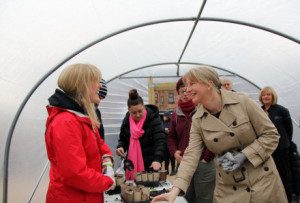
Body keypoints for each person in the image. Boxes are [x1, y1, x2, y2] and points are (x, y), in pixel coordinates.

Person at [152, 66, 287, 203]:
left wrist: (244, 155)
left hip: (262, 182)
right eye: (186, 85)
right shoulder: (198, 119)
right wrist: (174, 191)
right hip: (228, 188)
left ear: (209, 83)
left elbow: (271, 135)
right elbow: (191, 156)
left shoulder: (243, 102)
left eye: (192, 84)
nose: (187, 89)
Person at [45, 63, 115, 203]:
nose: (99, 86)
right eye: (96, 82)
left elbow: (98, 142)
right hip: (72, 197)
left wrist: (106, 158)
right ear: (83, 85)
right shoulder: (66, 122)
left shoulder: (81, 117)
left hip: (85, 195)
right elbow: (74, 174)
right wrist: (106, 181)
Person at [168, 77, 215, 203]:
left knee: (204, 198)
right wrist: (174, 152)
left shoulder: (203, 109)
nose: (185, 94)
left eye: (187, 90)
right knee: (187, 197)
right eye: (181, 91)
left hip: (204, 163)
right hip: (184, 161)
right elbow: (171, 136)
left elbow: (214, 135)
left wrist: (207, 157)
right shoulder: (176, 113)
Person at [116, 89, 166, 180]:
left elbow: (161, 140)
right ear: (128, 110)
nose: (138, 115)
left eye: (140, 111)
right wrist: (121, 147)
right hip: (131, 165)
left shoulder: (153, 118)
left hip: (151, 165)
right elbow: (123, 139)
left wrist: (157, 159)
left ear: (144, 106)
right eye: (134, 113)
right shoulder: (127, 120)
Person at [259, 86, 295, 201]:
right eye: (264, 95)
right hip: (265, 148)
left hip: (281, 148)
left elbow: (289, 129)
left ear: (273, 96)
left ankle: (287, 198)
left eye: (268, 94)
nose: (266, 97)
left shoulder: (282, 110)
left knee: (283, 174)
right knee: (269, 175)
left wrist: (286, 143)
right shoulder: (258, 110)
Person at [162, 111, 176, 176]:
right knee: (166, 158)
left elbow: (173, 132)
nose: (163, 117)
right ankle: (166, 170)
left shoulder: (171, 123)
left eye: (164, 116)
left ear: (168, 116)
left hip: (171, 144)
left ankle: (173, 170)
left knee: (172, 158)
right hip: (164, 143)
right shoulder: (163, 123)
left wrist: (167, 131)